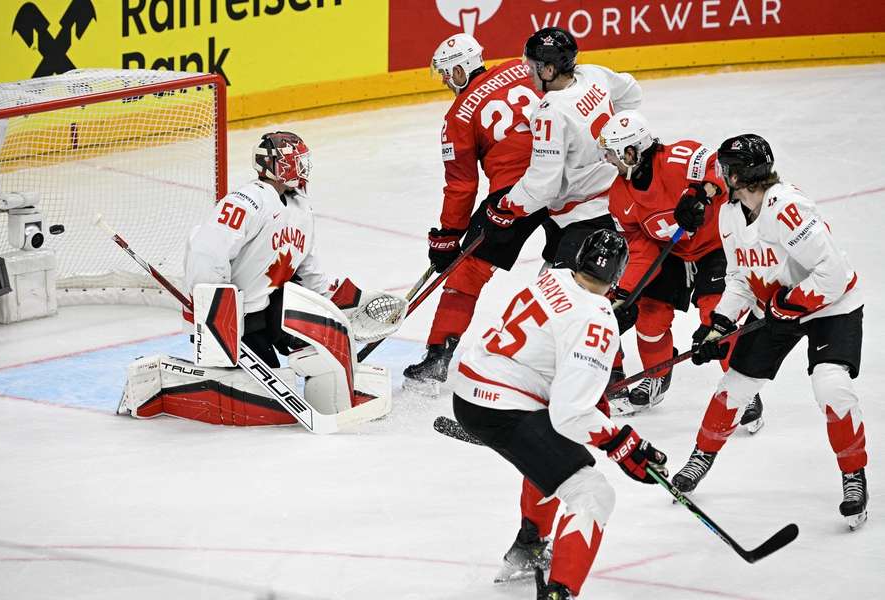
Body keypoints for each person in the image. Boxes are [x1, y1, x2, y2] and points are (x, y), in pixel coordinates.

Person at [118, 132, 404, 426]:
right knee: (263, 395)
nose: (302, 169)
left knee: (321, 354)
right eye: (295, 162)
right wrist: (214, 308)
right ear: (273, 165)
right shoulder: (247, 201)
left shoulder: (301, 209)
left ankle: (332, 391)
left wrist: (342, 303)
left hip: (273, 309)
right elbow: (207, 250)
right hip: (236, 317)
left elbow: (310, 272)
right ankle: (164, 381)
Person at [454, 229, 668, 599]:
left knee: (554, 457)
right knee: (592, 493)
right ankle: (560, 593)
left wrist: (597, 408)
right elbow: (569, 414)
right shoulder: (597, 321)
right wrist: (623, 444)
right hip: (505, 405)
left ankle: (529, 547)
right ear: (618, 276)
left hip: (471, 389)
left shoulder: (551, 277)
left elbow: (564, 384)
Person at [671, 134, 868, 530]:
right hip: (778, 308)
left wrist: (788, 304)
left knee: (831, 387)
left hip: (831, 306)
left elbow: (834, 275)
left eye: (726, 169)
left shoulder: (788, 207)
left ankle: (853, 475)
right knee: (734, 386)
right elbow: (740, 278)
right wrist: (719, 324)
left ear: (740, 174)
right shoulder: (729, 214)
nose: (720, 176)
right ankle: (701, 455)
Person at [483, 26, 643, 401]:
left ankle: (602, 382)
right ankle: (607, 374)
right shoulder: (595, 76)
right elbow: (632, 94)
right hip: (599, 205)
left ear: (550, 71)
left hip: (581, 217)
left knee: (561, 301)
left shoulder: (552, 112)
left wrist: (508, 206)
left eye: (533, 66)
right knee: (580, 299)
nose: (529, 72)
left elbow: (543, 185)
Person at [403, 33, 552, 395]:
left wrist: (448, 237)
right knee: (573, 272)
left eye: (445, 73)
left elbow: (461, 185)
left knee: (467, 272)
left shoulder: (458, 115)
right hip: (564, 173)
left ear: (460, 68)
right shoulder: (522, 69)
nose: (443, 81)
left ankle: (438, 355)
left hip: (514, 194)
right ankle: (597, 361)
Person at [598, 110, 763, 428]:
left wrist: (702, 193)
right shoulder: (619, 195)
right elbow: (639, 247)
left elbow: (720, 166)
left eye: (613, 153)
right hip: (670, 253)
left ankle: (743, 391)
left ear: (632, 152)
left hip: (716, 247)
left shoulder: (677, 157)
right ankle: (656, 376)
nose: (608, 160)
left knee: (717, 316)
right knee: (649, 318)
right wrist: (624, 293)